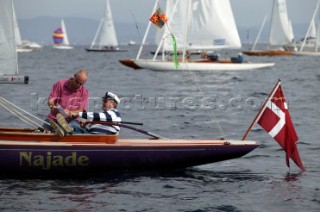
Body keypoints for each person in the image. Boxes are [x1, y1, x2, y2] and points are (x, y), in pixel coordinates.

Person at [43, 69, 89, 136]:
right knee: (43, 130)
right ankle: (61, 128)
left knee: (74, 128)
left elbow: (81, 110)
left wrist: (71, 113)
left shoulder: (84, 92)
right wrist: (52, 106)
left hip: (72, 120)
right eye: (77, 81)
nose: (78, 85)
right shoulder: (60, 84)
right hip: (55, 117)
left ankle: (64, 129)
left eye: (81, 84)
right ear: (74, 77)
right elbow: (51, 100)